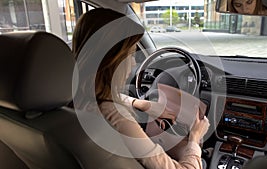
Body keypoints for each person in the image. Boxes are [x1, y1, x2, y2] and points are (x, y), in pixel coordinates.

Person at [72, 8, 210, 169]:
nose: (133, 64)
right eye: (130, 55)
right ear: (112, 59)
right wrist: (194, 139)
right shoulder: (116, 116)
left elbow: (105, 98)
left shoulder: (69, 97)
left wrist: (143, 104)